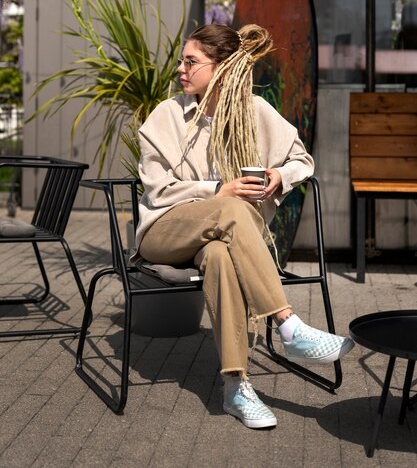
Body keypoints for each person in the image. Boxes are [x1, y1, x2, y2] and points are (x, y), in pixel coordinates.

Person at [132, 23, 354, 429]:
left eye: (191, 61)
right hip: (164, 232)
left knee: (218, 253)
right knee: (232, 208)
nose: (180, 69)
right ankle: (289, 325)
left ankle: (236, 386)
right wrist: (219, 189)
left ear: (223, 68)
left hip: (218, 239)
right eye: (182, 60)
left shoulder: (254, 111)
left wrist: (278, 176)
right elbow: (158, 191)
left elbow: (302, 160)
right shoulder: (167, 115)